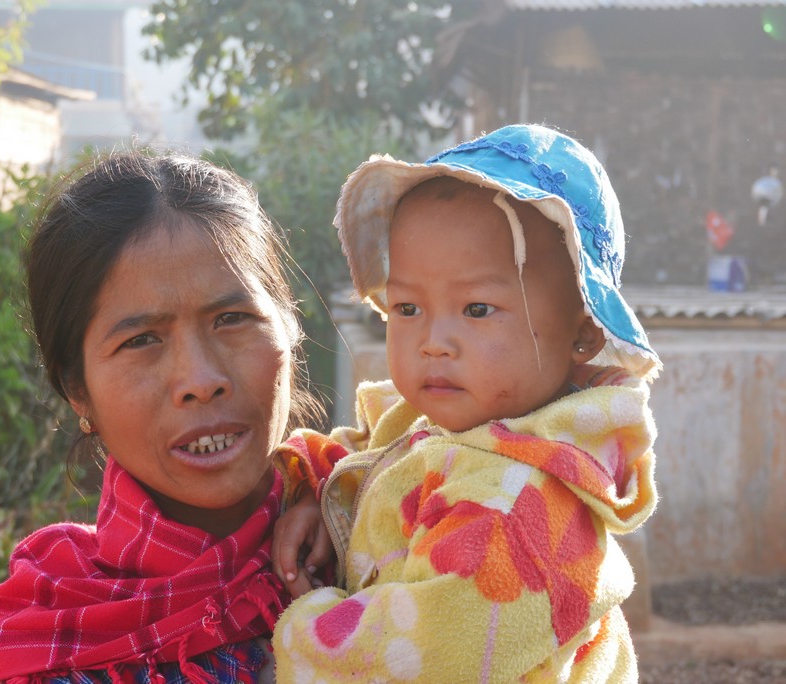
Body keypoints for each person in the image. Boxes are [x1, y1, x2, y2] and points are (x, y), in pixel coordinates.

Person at [270, 124, 661, 682]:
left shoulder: (517, 511)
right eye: (407, 308)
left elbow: (415, 661)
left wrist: (294, 627)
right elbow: (366, 455)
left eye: (476, 309)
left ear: (582, 333)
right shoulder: (437, 419)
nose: (433, 342)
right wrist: (317, 494)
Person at [0, 150, 328, 684]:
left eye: (232, 318)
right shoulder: (43, 640)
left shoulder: (398, 529)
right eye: (141, 340)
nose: (200, 380)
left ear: (289, 327)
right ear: (77, 389)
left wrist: (338, 503)